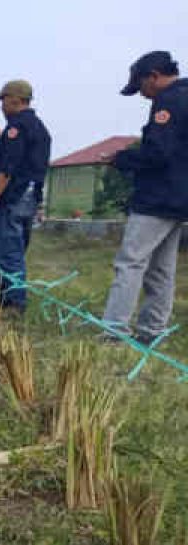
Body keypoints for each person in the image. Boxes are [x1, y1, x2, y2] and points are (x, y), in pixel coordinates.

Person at [101, 51, 187, 345]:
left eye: (141, 87)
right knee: (162, 269)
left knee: (131, 262)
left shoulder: (168, 102)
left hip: (157, 197)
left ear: (153, 76)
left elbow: (158, 153)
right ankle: (152, 331)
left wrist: (123, 158)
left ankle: (114, 331)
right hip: (180, 198)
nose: (142, 95)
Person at [0, 79, 52, 313]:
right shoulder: (38, 127)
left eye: (3, 100)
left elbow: (8, 166)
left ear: (16, 99)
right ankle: (12, 294)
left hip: (14, 196)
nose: (1, 106)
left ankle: (14, 302)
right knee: (17, 248)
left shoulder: (17, 126)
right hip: (31, 196)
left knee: (8, 250)